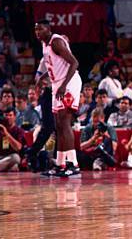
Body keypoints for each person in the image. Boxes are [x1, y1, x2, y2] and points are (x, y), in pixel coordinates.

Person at [34, 20, 83, 177]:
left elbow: (74, 63)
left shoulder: (56, 42)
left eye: (40, 29)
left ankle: (73, 164)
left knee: (65, 122)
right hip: (57, 84)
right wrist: (42, 77)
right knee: (59, 125)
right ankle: (60, 164)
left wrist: (63, 86)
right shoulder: (45, 43)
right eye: (35, 30)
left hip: (68, 83)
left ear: (48, 29)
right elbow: (55, 66)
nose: (37, 32)